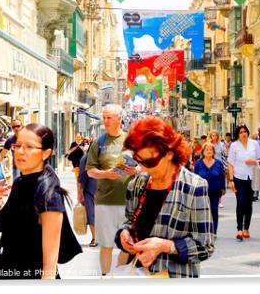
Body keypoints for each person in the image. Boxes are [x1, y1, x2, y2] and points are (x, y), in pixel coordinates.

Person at [116, 117, 215, 278]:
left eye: (150, 162)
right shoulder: (136, 185)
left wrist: (166, 246)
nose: (144, 168)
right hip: (136, 275)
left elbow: (205, 246)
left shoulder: (194, 187)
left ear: (169, 153)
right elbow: (129, 221)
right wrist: (125, 233)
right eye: (140, 161)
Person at [0, 124, 82, 279]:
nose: (20, 151)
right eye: (17, 146)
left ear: (46, 153)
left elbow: (49, 266)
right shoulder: (20, 182)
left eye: (29, 147)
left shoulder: (49, 195)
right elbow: (17, 224)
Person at [86, 104, 138, 276]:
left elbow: (145, 166)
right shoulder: (98, 143)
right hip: (105, 202)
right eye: (104, 117)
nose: (105, 121)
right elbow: (90, 171)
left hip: (129, 203)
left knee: (128, 245)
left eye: (109, 117)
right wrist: (106, 174)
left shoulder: (131, 141)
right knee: (106, 245)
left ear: (119, 118)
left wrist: (135, 170)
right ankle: (106, 278)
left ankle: (119, 276)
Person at [227, 125, 260, 240]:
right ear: (238, 134)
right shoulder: (234, 146)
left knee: (249, 203)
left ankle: (246, 228)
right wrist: (231, 180)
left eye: (245, 131)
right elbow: (230, 164)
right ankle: (239, 229)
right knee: (241, 201)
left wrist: (253, 161)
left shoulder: (255, 144)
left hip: (252, 177)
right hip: (238, 177)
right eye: (241, 132)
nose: (243, 134)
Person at [194, 143, 226, 234]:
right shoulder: (199, 163)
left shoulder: (218, 163)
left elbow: (222, 176)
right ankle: (204, 231)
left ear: (213, 152)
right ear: (203, 152)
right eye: (206, 150)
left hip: (215, 191)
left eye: (210, 150)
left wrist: (223, 188)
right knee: (202, 211)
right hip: (201, 192)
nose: (209, 151)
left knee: (214, 210)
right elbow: (195, 177)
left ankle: (213, 231)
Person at [78, 152, 98, 247]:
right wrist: (79, 194)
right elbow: (80, 178)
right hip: (89, 191)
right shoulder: (85, 158)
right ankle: (95, 237)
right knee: (91, 214)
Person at [209, 131, 228, 207]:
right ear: (210, 136)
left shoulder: (221, 144)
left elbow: (225, 155)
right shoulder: (209, 144)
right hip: (210, 165)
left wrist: (225, 166)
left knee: (219, 184)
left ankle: (219, 201)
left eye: (216, 135)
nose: (214, 137)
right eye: (213, 135)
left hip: (219, 165)